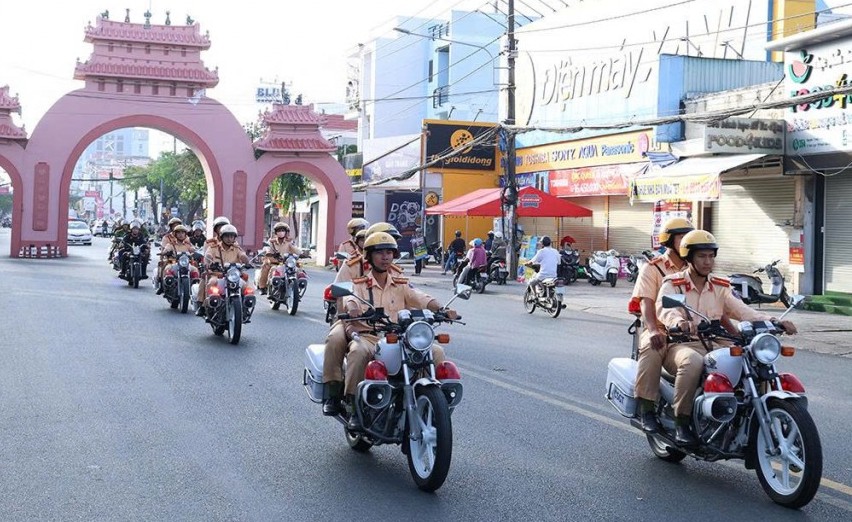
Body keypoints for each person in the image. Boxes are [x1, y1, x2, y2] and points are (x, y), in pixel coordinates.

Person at [656, 230, 798, 446]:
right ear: (689, 257)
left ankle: (744, 415)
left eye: (711, 256)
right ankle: (681, 422)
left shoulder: (720, 286)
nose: (708, 261)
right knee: (692, 362)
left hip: (715, 340)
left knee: (750, 357)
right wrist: (678, 322)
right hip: (682, 342)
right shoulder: (673, 283)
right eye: (702, 256)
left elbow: (743, 311)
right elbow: (667, 310)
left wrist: (774, 321)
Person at [330, 232, 457, 429]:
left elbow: (419, 296)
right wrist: (353, 308)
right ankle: (354, 406)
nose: (386, 257)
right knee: (358, 351)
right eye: (380, 252)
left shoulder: (400, 283)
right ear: (370, 256)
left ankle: (436, 401)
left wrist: (441, 309)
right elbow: (350, 298)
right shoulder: (360, 284)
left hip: (400, 336)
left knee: (436, 351)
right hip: (370, 335)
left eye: (389, 252)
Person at [630, 217, 694, 434]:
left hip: (692, 330)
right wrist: (654, 329)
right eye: (681, 237)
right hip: (662, 328)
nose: (686, 241)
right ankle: (646, 408)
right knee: (652, 347)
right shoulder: (653, 268)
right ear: (669, 241)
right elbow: (646, 303)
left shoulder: (695, 267)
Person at [199, 224, 252, 317]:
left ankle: (245, 307)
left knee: (247, 288)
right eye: (227, 236)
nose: (229, 238)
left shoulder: (237, 249)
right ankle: (206, 306)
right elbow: (208, 256)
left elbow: (242, 255)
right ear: (221, 236)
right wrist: (208, 262)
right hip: (218, 275)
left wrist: (247, 262)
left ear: (234, 237)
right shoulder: (213, 247)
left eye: (231, 236)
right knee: (212, 282)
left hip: (233, 276)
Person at [258, 222, 302, 295]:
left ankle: (299, 286)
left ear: (286, 232)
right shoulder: (271, 242)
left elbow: (295, 249)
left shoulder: (289, 242)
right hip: (274, 262)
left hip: (287, 263)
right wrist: (271, 254)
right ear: (275, 232)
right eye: (279, 230)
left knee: (299, 268)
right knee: (266, 268)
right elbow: (268, 250)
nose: (281, 232)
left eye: (283, 230)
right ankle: (262, 287)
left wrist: (302, 253)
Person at [155, 224, 194, 294]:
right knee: (167, 268)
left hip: (186, 265)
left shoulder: (188, 245)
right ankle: (165, 286)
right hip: (174, 263)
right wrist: (165, 252)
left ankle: (194, 287)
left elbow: (193, 250)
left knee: (195, 270)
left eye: (182, 233)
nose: (181, 235)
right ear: (175, 234)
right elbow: (166, 249)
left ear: (185, 234)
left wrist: (196, 253)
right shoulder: (171, 244)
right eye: (178, 233)